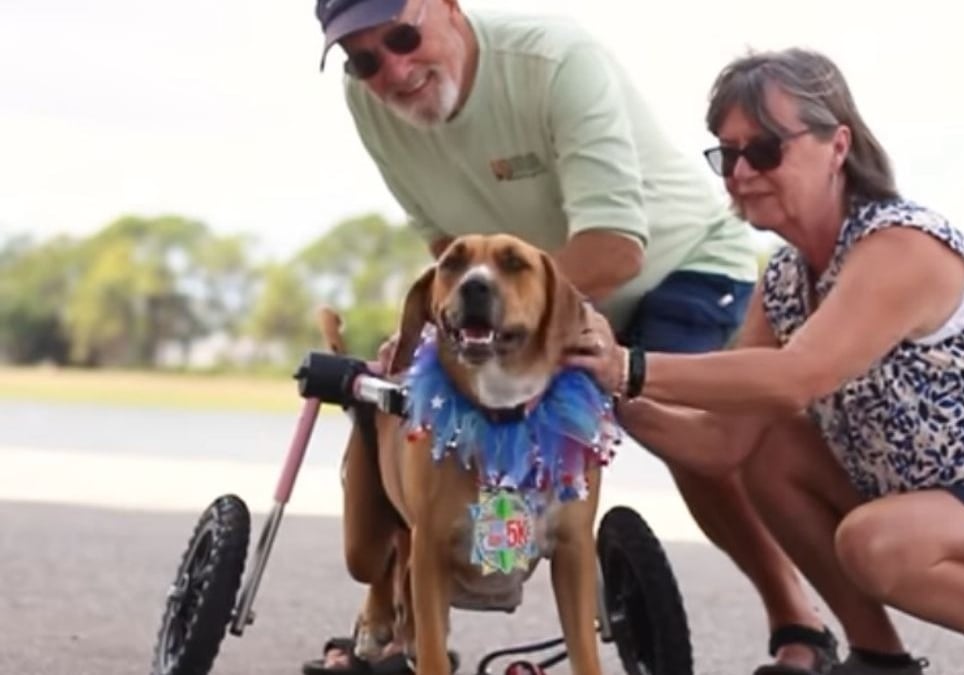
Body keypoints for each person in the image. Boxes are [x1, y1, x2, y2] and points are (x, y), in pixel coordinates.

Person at [565, 47, 964, 675]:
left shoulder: (900, 246)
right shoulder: (783, 282)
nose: (742, 171)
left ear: (837, 145)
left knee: (871, 543)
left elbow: (800, 376)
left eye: (766, 149)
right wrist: (596, 388)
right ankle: (879, 660)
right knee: (768, 448)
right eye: (728, 153)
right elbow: (723, 444)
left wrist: (628, 365)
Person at [305, 2, 833, 674]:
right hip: (525, 297)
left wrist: (528, 328)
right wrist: (438, 326)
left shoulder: (553, 61)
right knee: (436, 412)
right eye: (366, 57)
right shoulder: (370, 99)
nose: (394, 68)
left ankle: (797, 619)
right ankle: (405, 609)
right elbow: (447, 240)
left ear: (446, 9)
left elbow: (615, 249)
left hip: (677, 261)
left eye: (405, 36)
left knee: (685, 434)